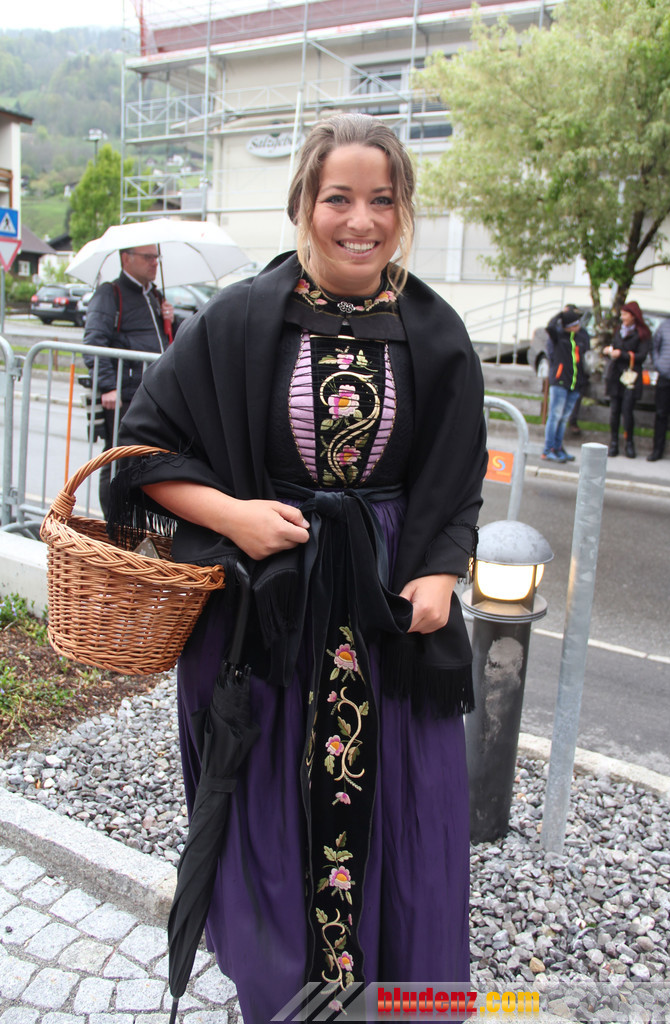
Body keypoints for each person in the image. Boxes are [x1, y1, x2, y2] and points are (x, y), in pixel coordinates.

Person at [110, 113, 488, 1023]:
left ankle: (390, 997)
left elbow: (458, 475)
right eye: (338, 198)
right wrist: (234, 517)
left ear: (403, 212)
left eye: (381, 200)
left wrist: (441, 572)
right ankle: (292, 999)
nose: (360, 221)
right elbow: (142, 453)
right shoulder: (240, 318)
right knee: (273, 805)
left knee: (406, 805)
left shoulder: (434, 331)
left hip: (387, 613)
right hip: (272, 616)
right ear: (301, 206)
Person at [83, 245, 176, 514]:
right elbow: (94, 343)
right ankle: (112, 521)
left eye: (156, 257)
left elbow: (163, 341)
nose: (154, 263)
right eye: (148, 257)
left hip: (153, 392)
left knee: (145, 458)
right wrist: (108, 386)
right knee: (118, 458)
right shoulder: (110, 293)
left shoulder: (155, 295)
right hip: (125, 395)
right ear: (127, 258)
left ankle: (133, 520)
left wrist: (171, 320)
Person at [603, 301, 651, 458]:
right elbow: (614, 346)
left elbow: (642, 356)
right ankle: (614, 443)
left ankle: (629, 443)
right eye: (622, 314)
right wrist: (609, 351)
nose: (622, 317)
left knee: (627, 410)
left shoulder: (642, 334)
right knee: (614, 411)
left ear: (633, 316)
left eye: (625, 314)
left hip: (631, 376)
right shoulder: (618, 331)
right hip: (616, 375)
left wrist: (622, 354)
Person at [542, 308, 588, 463]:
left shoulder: (581, 337)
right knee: (555, 416)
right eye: (574, 325)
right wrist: (561, 314)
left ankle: (558, 447)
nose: (577, 327)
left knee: (564, 418)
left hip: (575, 383)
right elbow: (550, 326)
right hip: (560, 381)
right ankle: (548, 449)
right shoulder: (558, 336)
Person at [647, 296, 670, 465]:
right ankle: (657, 450)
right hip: (665, 377)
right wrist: (659, 365)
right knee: (661, 414)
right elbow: (654, 347)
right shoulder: (664, 326)